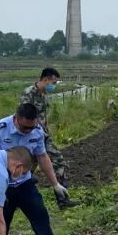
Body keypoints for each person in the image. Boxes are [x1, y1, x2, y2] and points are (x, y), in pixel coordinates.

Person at [0, 103, 70, 235]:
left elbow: (42, 157)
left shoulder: (37, 131)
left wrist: (55, 184)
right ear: (16, 118)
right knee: (0, 223)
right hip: (2, 187)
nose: (27, 131)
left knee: (40, 215)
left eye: (31, 127)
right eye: (24, 128)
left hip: (24, 183)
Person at [19, 67, 76, 208]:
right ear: (45, 79)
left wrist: (47, 131)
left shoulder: (44, 94)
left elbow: (43, 116)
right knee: (27, 169)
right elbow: (24, 117)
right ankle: (17, 199)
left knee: (58, 161)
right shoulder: (28, 94)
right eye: (53, 82)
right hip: (30, 137)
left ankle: (63, 199)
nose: (53, 86)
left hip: (43, 136)